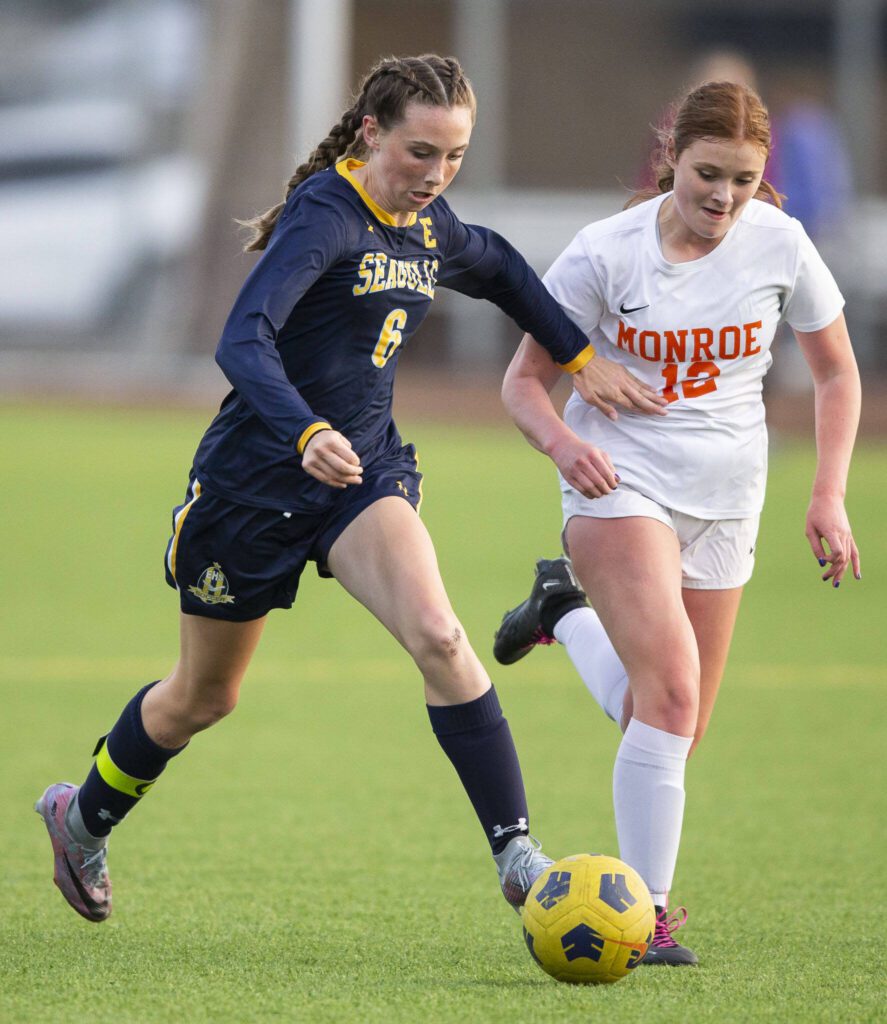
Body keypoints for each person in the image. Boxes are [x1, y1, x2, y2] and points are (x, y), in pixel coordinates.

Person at [34, 53, 625, 924]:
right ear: (370, 133)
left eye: (455, 156)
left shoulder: (424, 225)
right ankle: (80, 818)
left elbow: (496, 263)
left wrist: (576, 353)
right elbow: (243, 340)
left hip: (361, 475)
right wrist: (305, 431)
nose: (437, 176)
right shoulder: (326, 218)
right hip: (253, 484)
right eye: (421, 153)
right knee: (204, 697)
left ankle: (515, 852)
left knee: (440, 632)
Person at [492, 80, 861, 966]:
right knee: (670, 698)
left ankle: (560, 611)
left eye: (742, 179)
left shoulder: (780, 243)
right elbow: (520, 382)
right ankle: (646, 918)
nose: (723, 198)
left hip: (730, 498)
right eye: (707, 175)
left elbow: (837, 374)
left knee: (673, 723)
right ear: (672, 158)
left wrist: (828, 494)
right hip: (619, 485)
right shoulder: (607, 253)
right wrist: (561, 447)